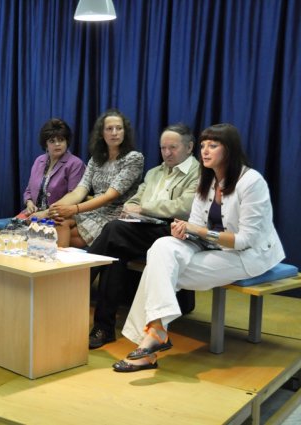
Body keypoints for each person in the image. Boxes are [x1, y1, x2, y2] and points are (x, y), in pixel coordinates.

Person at [113, 123, 285, 373]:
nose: (205, 150)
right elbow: (195, 224)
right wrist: (183, 232)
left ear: (229, 149)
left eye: (213, 145)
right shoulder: (207, 180)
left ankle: (151, 344)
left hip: (248, 255)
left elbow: (244, 240)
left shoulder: (251, 181)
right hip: (211, 247)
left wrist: (198, 231)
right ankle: (155, 334)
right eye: (203, 145)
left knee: (158, 271)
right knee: (162, 247)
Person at [88, 123, 199, 349]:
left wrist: (144, 208)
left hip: (175, 231)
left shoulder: (199, 174)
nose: (167, 153)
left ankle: (78, 282)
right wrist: (131, 208)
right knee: (115, 250)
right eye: (163, 148)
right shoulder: (154, 172)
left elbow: (183, 207)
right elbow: (134, 199)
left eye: (173, 148)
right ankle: (103, 328)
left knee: (114, 229)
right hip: (143, 228)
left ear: (189, 147)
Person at [50, 109, 144, 247]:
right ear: (101, 133)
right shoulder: (96, 159)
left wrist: (74, 209)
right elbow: (80, 190)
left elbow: (109, 197)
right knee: (58, 219)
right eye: (109, 129)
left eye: (119, 128)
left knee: (59, 235)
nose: (114, 133)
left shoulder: (134, 158)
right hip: (93, 211)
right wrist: (52, 210)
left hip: (115, 216)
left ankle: (61, 259)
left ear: (125, 132)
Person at [19, 118, 85, 220]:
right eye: (52, 141)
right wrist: (29, 203)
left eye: (61, 140)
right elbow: (28, 190)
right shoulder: (39, 160)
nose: (57, 144)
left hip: (58, 217)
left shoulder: (75, 164)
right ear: (45, 144)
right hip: (33, 215)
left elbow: (73, 198)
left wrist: (46, 214)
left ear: (67, 142)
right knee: (7, 228)